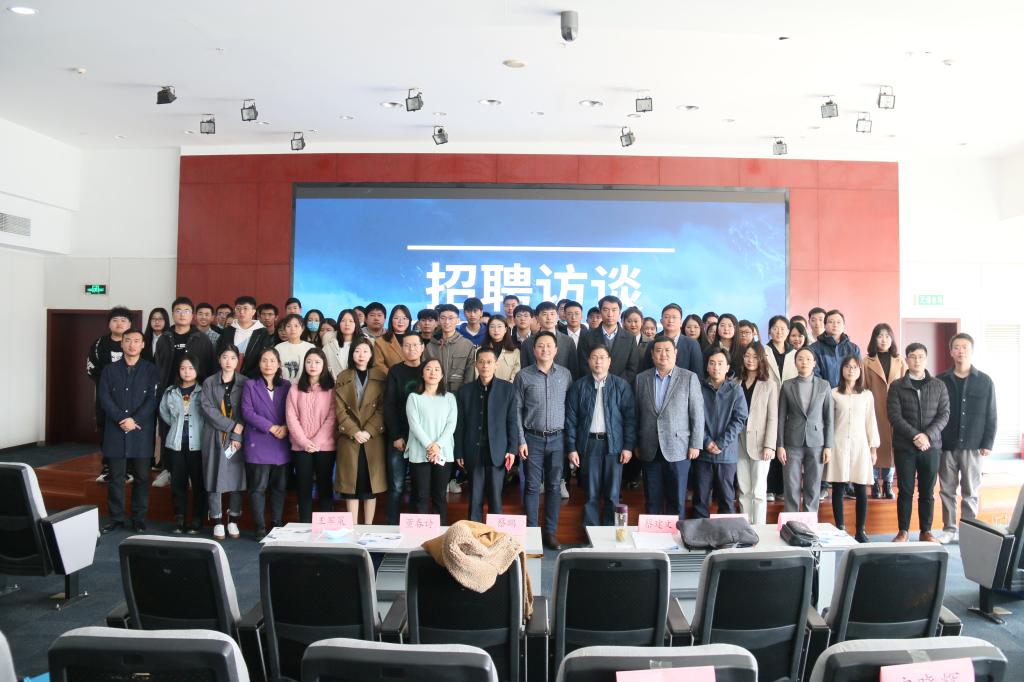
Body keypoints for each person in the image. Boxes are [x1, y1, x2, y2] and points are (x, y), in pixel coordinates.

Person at [633, 336, 704, 519]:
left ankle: (676, 535)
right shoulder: (641, 379)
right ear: (652, 354)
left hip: (679, 448)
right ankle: (653, 535)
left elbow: (697, 414)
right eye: (658, 350)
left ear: (675, 353)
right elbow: (637, 414)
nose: (663, 354)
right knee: (652, 500)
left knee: (677, 501)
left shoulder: (689, 377)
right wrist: (637, 443)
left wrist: (695, 444)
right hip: (649, 447)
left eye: (667, 350)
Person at [566, 344, 637, 526]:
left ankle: (610, 532)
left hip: (614, 445)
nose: (598, 361)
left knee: (613, 494)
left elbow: (630, 419)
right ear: (589, 361)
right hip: (589, 444)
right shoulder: (579, 386)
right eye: (594, 357)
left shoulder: (621, 386)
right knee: (590, 493)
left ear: (609, 361)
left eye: (602, 357)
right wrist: (572, 448)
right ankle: (590, 532)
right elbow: (571, 420)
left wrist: (628, 447)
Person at [514, 331, 573, 550]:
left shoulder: (565, 374)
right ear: (533, 349)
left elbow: (571, 409)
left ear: (556, 350)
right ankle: (531, 533)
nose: (545, 349)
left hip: (558, 439)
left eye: (549, 346)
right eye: (540, 346)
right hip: (532, 439)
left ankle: (550, 533)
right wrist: (521, 440)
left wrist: (570, 443)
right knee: (531, 486)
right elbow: (516, 410)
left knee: (554, 486)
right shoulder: (523, 376)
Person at [98, 328, 160, 533]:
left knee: (142, 477)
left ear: (143, 345)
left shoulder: (151, 370)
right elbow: (104, 397)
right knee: (116, 478)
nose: (132, 344)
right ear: (122, 343)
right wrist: (121, 418)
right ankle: (116, 518)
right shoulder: (109, 370)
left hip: (141, 430)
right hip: (116, 429)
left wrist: (135, 420)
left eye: (136, 341)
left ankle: (138, 518)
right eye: (128, 340)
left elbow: (152, 399)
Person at [887, 343, 950, 542]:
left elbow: (944, 415)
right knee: (905, 490)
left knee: (927, 491)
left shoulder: (938, 385)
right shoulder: (897, 386)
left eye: (921, 356)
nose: (917, 360)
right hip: (905, 446)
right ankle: (903, 531)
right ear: (906, 359)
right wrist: (916, 436)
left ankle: (926, 531)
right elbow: (894, 416)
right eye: (913, 356)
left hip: (931, 446)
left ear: (926, 359)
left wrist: (927, 436)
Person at [938, 333, 997, 544]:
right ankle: (949, 529)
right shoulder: (941, 380)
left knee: (970, 491)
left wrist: (988, 442)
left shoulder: (985, 381)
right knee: (947, 490)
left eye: (965, 347)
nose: (961, 350)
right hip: (946, 445)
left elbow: (992, 414)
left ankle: (968, 530)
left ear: (971, 351)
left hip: (974, 445)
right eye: (957, 347)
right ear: (951, 352)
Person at [454, 348, 518, 522]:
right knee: (475, 497)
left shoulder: (508, 389)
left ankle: (495, 534)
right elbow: (460, 425)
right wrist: (459, 451)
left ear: (496, 365)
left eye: (489, 362)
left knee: (496, 498)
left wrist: (512, 449)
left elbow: (512, 421)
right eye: (481, 362)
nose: (485, 366)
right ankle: (474, 534)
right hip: (473, 451)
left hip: (498, 451)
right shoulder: (465, 391)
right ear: (476, 364)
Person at [824, 355, 880, 542]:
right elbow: (828, 422)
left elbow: (871, 422)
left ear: (860, 371)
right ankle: (840, 527)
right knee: (838, 488)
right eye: (847, 366)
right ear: (842, 370)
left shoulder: (867, 395)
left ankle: (860, 530)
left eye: (855, 367)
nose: (851, 370)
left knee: (861, 488)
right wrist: (827, 446)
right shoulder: (833, 393)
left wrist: (873, 448)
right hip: (838, 444)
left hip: (860, 445)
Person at [240, 347, 292, 539]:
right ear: (259, 363)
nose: (268, 364)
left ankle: (276, 524)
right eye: (264, 360)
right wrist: (270, 427)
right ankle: (260, 527)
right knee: (258, 488)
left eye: (272, 361)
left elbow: (293, 410)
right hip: (259, 441)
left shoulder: (286, 385)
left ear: (279, 364)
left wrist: (286, 427)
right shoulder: (250, 385)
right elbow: (247, 412)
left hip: (281, 442)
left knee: (279, 488)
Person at [334, 338, 387, 524]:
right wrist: (354, 431)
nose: (361, 355)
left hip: (372, 438)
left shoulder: (380, 376)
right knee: (351, 485)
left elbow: (383, 408)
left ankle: (369, 526)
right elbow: (339, 409)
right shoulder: (342, 376)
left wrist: (368, 431)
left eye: (365, 351)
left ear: (371, 354)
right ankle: (352, 527)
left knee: (370, 484)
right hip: (350, 437)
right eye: (357, 351)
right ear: (352, 354)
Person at [199, 345, 248, 541]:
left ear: (238, 361)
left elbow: (247, 410)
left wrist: (237, 435)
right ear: (219, 359)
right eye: (225, 357)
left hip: (238, 436)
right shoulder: (210, 382)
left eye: (233, 358)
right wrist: (231, 426)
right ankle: (217, 520)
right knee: (214, 476)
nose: (228, 361)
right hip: (214, 434)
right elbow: (207, 408)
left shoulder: (245, 382)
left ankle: (233, 518)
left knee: (237, 478)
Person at [777, 347, 834, 513]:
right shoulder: (787, 385)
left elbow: (829, 418)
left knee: (813, 487)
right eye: (800, 359)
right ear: (795, 363)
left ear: (814, 363)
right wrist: (780, 445)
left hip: (817, 442)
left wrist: (828, 446)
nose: (804, 362)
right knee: (791, 486)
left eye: (809, 359)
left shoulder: (824, 385)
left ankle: (809, 523)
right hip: (792, 443)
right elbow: (781, 417)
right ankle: (791, 523)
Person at [284, 348, 336, 523]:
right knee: (303, 486)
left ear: (324, 365)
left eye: (317, 362)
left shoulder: (331, 389)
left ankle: (326, 525)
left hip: (325, 447)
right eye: (309, 362)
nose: (313, 365)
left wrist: (316, 442)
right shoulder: (294, 389)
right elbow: (291, 417)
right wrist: (305, 442)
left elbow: (332, 417)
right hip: (301, 447)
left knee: (325, 485)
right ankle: (304, 524)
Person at [694, 349, 748, 517]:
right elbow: (693, 417)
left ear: (727, 367)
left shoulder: (735, 390)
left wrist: (721, 443)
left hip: (726, 454)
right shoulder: (698, 388)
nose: (716, 367)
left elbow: (740, 419)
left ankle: (728, 532)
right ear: (707, 367)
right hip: (703, 453)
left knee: (726, 499)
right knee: (700, 499)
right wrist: (706, 441)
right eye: (712, 363)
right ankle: (698, 532)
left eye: (720, 363)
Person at [404, 358, 459, 522]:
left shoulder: (449, 398)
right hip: (419, 453)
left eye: (437, 369)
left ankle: (440, 533)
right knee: (420, 496)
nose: (433, 372)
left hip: (443, 453)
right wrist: (430, 445)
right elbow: (414, 425)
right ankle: (420, 533)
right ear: (422, 373)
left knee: (440, 496)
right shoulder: (414, 397)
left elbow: (451, 424)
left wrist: (437, 446)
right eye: (428, 369)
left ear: (442, 375)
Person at [159, 355, 207, 534]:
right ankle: (179, 518)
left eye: (191, 368)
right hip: (176, 444)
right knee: (178, 483)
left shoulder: (204, 390)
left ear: (197, 370)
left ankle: (197, 519)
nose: (186, 372)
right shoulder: (171, 392)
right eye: (183, 368)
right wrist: (177, 425)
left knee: (198, 483)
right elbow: (164, 413)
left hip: (198, 444)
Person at [87, 306, 132, 483]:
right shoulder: (99, 344)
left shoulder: (135, 342)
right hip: (106, 397)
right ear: (109, 324)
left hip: (130, 397)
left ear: (130, 324)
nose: (119, 323)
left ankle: (128, 469)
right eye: (115, 320)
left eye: (123, 320)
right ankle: (107, 467)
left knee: (129, 430)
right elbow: (91, 368)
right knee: (107, 431)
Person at [382, 333, 424, 523]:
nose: (411, 349)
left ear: (422, 347)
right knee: (397, 486)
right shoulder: (395, 372)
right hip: (399, 437)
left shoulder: (429, 369)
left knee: (419, 487)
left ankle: (415, 529)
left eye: (415, 345)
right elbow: (389, 405)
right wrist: (396, 435)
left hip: (422, 440)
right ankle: (391, 528)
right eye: (407, 345)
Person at [737, 342, 779, 524]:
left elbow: (773, 417)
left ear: (761, 359)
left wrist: (770, 445)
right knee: (744, 489)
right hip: (739, 440)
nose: (750, 360)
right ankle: (746, 528)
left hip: (761, 442)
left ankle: (759, 529)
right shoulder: (736, 382)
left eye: (755, 356)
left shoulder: (769, 385)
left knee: (759, 491)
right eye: (747, 356)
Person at [864, 323, 906, 499]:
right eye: (880, 336)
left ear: (892, 339)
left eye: (887, 336)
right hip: (874, 409)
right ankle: (874, 482)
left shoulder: (899, 361)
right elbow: (863, 387)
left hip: (895, 409)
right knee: (874, 444)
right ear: (874, 339)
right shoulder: (867, 361)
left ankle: (888, 483)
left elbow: (906, 385)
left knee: (891, 448)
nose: (883, 340)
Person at [155, 297, 215, 391]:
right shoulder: (163, 339)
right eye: (178, 311)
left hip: (196, 392)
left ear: (192, 315)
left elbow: (210, 368)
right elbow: (158, 366)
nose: (182, 314)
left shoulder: (203, 339)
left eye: (186, 311)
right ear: (173, 314)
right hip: (168, 391)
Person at [576, 295, 640, 385]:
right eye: (606, 310)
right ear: (600, 311)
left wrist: (616, 385)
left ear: (619, 312)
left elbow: (632, 368)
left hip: (620, 388)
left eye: (614, 310)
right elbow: (583, 365)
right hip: (593, 386)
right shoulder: (587, 337)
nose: (610, 314)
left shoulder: (630, 338)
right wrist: (598, 382)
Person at [424, 303, 476, 394]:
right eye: (443, 318)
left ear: (458, 320)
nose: (447, 322)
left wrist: (465, 395)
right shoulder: (430, 346)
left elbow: (470, 375)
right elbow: (424, 372)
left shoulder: (467, 345)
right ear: (438, 320)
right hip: (434, 394)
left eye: (451, 318)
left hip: (459, 395)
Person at [217, 296, 275, 378]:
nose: (241, 312)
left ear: (253, 311)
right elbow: (219, 354)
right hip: (227, 376)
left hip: (253, 378)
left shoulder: (262, 333)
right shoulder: (227, 331)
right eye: (238, 308)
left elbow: (264, 356)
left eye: (245, 308)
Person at [640, 304, 704, 378]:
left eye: (674, 317)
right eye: (666, 317)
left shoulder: (692, 344)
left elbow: (698, 375)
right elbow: (645, 373)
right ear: (661, 321)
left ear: (681, 322)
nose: (670, 320)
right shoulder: (653, 343)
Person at [521, 301, 580, 379]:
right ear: (537, 318)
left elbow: (574, 371)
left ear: (557, 317)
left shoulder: (568, 341)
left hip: (562, 384)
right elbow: (524, 372)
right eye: (544, 314)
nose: (549, 318)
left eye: (552, 314)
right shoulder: (527, 343)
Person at [810, 309, 861, 388]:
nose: (835, 325)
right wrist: (826, 391)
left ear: (844, 325)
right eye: (831, 322)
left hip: (849, 392)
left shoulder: (853, 348)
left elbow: (859, 372)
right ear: (825, 325)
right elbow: (815, 374)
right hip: (825, 392)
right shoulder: (814, 348)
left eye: (838, 322)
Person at [479, 314, 521, 382]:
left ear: (505, 329)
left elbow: (516, 375)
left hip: (507, 388)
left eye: (499, 326)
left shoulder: (515, 352)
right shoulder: (480, 350)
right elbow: (476, 373)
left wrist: (506, 387)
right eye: (492, 327)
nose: (496, 330)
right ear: (488, 329)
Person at [275, 313, 316, 383]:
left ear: (302, 328)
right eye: (288, 326)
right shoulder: (278, 348)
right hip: (283, 386)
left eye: (296, 326)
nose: (293, 329)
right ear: (285, 329)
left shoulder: (310, 347)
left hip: (305, 386)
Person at [372, 304, 412, 371]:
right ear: (391, 320)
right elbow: (379, 365)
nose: (401, 321)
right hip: (390, 377)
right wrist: (394, 376)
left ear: (409, 320)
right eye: (396, 318)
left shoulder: (416, 339)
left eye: (404, 318)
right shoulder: (380, 342)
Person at [323, 309, 359, 378]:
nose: (347, 324)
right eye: (343, 321)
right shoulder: (329, 346)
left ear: (356, 324)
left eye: (351, 321)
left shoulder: (363, 345)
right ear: (339, 324)